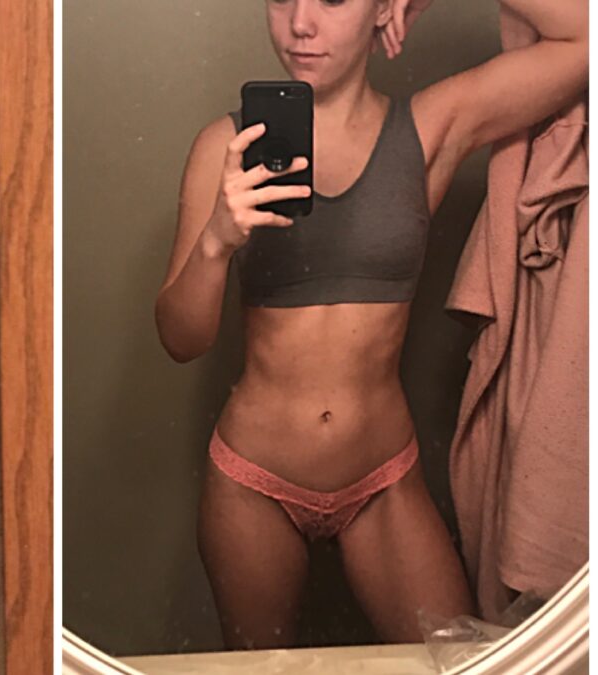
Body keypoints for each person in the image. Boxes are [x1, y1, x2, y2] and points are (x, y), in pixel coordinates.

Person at [154, 0, 586, 650]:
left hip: (383, 479)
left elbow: (583, 39)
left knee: (462, 661)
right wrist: (216, 241)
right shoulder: (226, 147)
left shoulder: (429, 127)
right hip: (252, 482)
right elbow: (180, 340)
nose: (301, 23)